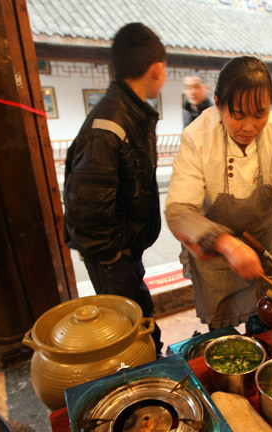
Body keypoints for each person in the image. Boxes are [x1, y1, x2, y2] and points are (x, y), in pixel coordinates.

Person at [166, 56, 272, 331]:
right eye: (237, 114)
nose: (249, 127)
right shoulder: (197, 138)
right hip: (215, 254)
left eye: (260, 114)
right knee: (223, 336)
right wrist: (227, 243)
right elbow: (179, 212)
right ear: (217, 102)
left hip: (265, 247)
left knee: (265, 326)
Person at [62, 22, 166, 352]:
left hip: (124, 253)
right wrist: (116, 259)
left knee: (142, 321)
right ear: (157, 69)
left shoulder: (129, 113)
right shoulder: (108, 126)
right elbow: (85, 213)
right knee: (129, 335)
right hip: (112, 259)